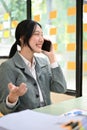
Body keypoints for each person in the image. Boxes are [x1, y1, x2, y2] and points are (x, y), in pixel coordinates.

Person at [0, 19, 67, 115]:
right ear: (22, 38)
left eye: (42, 35)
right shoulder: (7, 67)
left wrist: (52, 57)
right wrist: (12, 98)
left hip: (47, 118)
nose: (41, 39)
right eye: (36, 34)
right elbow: (4, 110)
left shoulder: (43, 62)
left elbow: (61, 88)